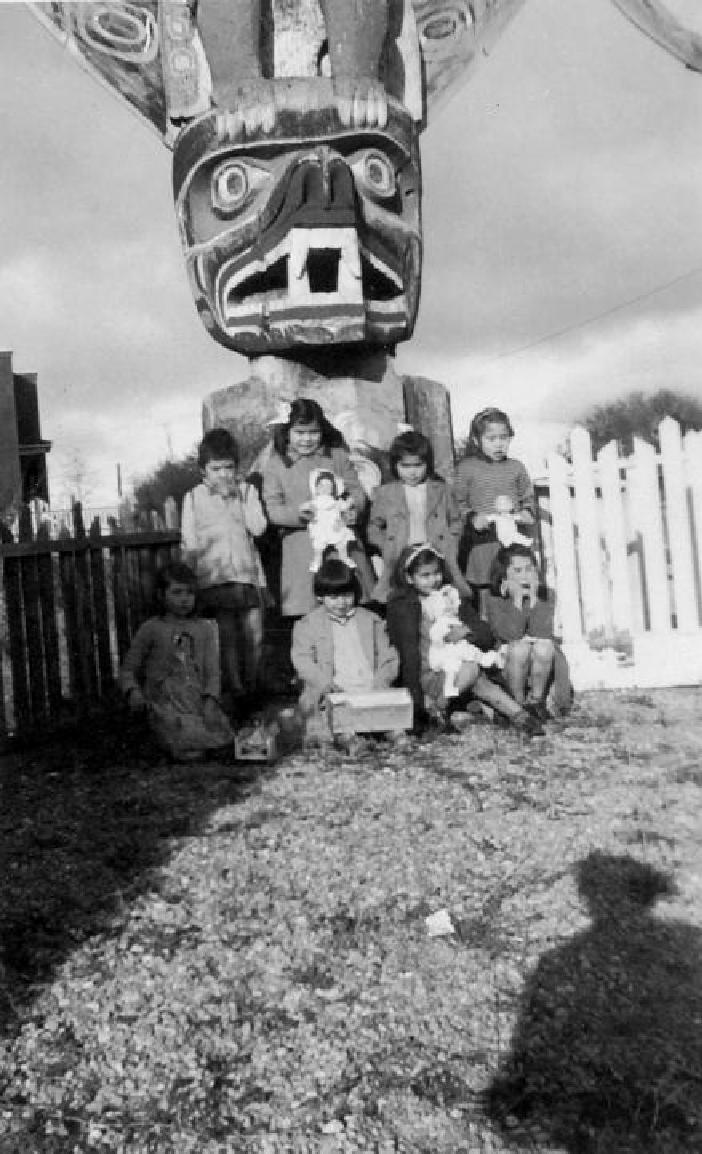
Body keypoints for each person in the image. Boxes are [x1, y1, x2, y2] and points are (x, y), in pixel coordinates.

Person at [386, 544, 544, 735]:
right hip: (427, 673)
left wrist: (467, 631)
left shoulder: (450, 596)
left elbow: (485, 633)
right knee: (472, 670)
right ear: (409, 578)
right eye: (425, 576)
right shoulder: (405, 606)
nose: (433, 580)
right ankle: (438, 707)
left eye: (436, 573)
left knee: (475, 675)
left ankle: (520, 716)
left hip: (456, 670)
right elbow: (408, 653)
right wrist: (416, 700)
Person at [180, 427, 268, 714]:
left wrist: (239, 501)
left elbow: (259, 527)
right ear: (203, 470)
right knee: (227, 638)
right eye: (216, 469)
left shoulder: (247, 492)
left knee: (255, 634)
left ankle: (254, 686)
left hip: (247, 575)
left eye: (229, 468)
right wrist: (190, 584)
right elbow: (190, 543)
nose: (223, 475)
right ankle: (237, 689)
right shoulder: (193, 498)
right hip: (215, 579)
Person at [261, 398, 370, 620]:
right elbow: (273, 508)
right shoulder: (276, 465)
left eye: (313, 432)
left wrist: (353, 509)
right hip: (303, 546)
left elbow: (355, 491)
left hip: (340, 540)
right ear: (287, 432)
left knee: (348, 604)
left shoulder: (337, 456)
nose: (307, 439)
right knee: (311, 612)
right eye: (300, 433)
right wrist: (299, 515)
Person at [119, 561, 234, 760]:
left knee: (221, 734)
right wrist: (133, 692)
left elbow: (212, 671)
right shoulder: (151, 628)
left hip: (196, 701)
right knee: (179, 734)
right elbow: (128, 669)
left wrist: (210, 701)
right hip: (164, 704)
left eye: (189, 593)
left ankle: (197, 743)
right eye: (177, 592)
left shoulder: (204, 629)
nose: (184, 600)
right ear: (161, 595)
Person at [291, 558, 399, 743]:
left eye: (347, 596)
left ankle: (394, 735)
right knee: (337, 722)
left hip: (369, 685)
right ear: (320, 597)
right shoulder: (308, 625)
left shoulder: (371, 621)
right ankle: (349, 740)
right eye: (333, 598)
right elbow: (302, 660)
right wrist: (324, 682)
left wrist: (382, 680)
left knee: (391, 718)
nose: (341, 603)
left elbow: (388, 656)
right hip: (334, 688)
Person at [367, 429, 469, 604]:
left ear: (427, 465)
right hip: (401, 553)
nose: (412, 472)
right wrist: (386, 544)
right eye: (405, 466)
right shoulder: (386, 493)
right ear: (395, 465)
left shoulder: (441, 490)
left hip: (435, 552)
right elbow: (374, 526)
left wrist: (451, 540)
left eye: (418, 465)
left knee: (441, 598)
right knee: (402, 599)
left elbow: (456, 520)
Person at [453, 408, 535, 615]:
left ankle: (515, 627)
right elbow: (457, 502)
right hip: (483, 540)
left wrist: (526, 511)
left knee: (514, 581)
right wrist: (472, 517)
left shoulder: (516, 467)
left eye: (504, 438)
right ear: (477, 439)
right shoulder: (466, 467)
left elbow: (527, 496)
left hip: (511, 540)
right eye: (491, 438)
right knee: (485, 586)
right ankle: (487, 629)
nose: (499, 444)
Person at [486, 544, 573, 719]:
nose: (525, 576)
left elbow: (542, 632)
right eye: (517, 571)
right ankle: (517, 703)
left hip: (540, 656)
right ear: (504, 575)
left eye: (529, 569)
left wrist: (534, 600)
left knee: (544, 646)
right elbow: (509, 635)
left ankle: (536, 701)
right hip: (509, 654)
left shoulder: (546, 595)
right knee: (520, 648)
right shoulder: (494, 598)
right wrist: (517, 601)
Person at [422, 581, 505, 698]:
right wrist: (445, 636)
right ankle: (445, 698)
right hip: (445, 657)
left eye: (452, 604)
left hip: (462, 651)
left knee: (474, 657)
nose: (450, 608)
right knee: (461, 668)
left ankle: (491, 661)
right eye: (446, 607)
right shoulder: (438, 621)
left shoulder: (457, 613)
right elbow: (436, 636)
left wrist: (467, 630)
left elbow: (484, 631)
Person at [306, 468, 357, 572]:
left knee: (341, 542)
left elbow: (344, 506)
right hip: (321, 526)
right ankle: (317, 561)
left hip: (335, 525)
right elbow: (306, 507)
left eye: (328, 486)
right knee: (319, 546)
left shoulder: (336, 501)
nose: (325, 488)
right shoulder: (316, 501)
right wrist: (308, 511)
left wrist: (349, 501)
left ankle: (344, 557)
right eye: (321, 486)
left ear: (333, 489)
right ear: (316, 488)